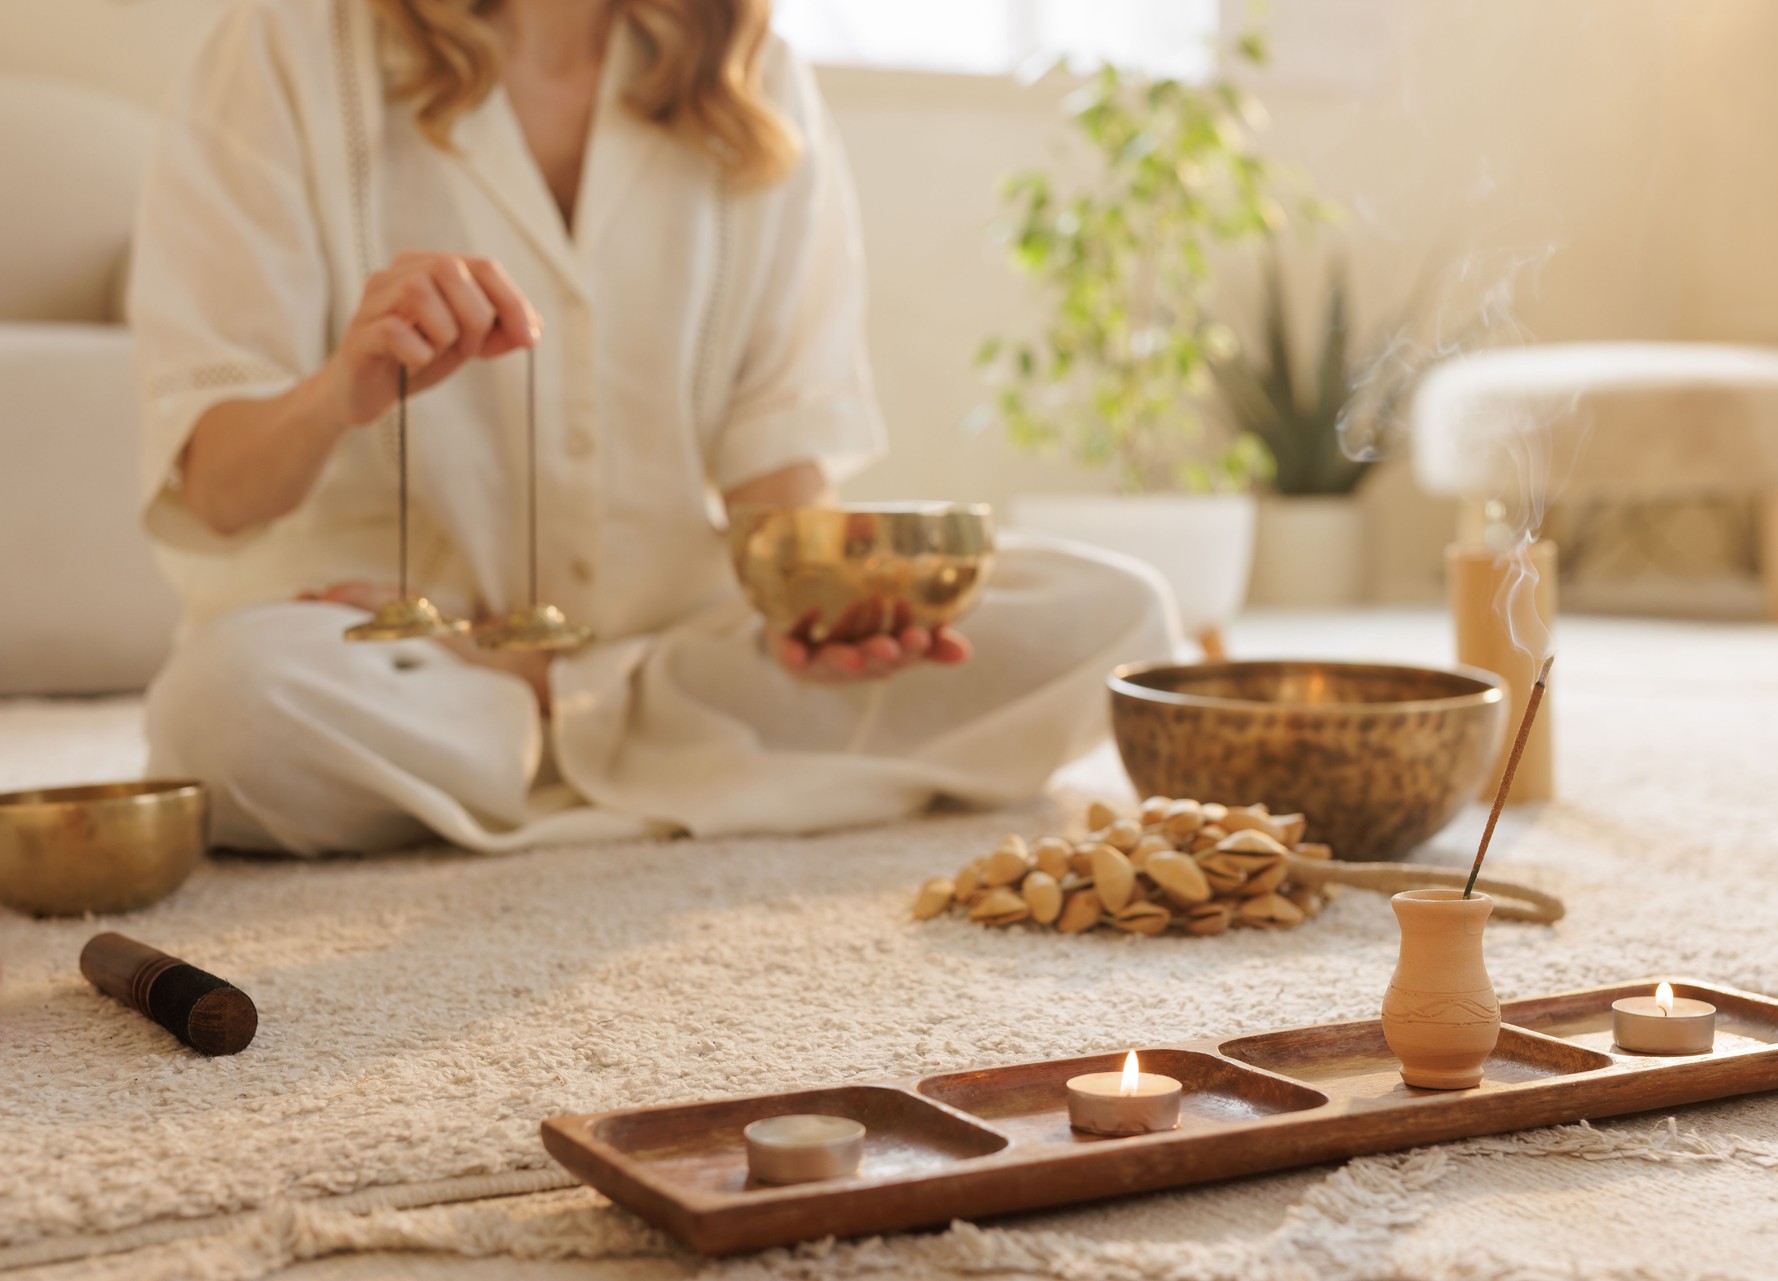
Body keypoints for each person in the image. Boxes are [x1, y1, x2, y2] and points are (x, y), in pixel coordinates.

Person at [130, 0, 1176, 855]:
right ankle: (650, 746)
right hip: (406, 660)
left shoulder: (753, 75)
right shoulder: (286, 45)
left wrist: (812, 615)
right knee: (228, 713)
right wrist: (342, 391)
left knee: (1122, 621)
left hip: (675, 639)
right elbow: (220, 490)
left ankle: (546, 720)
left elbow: (778, 482)